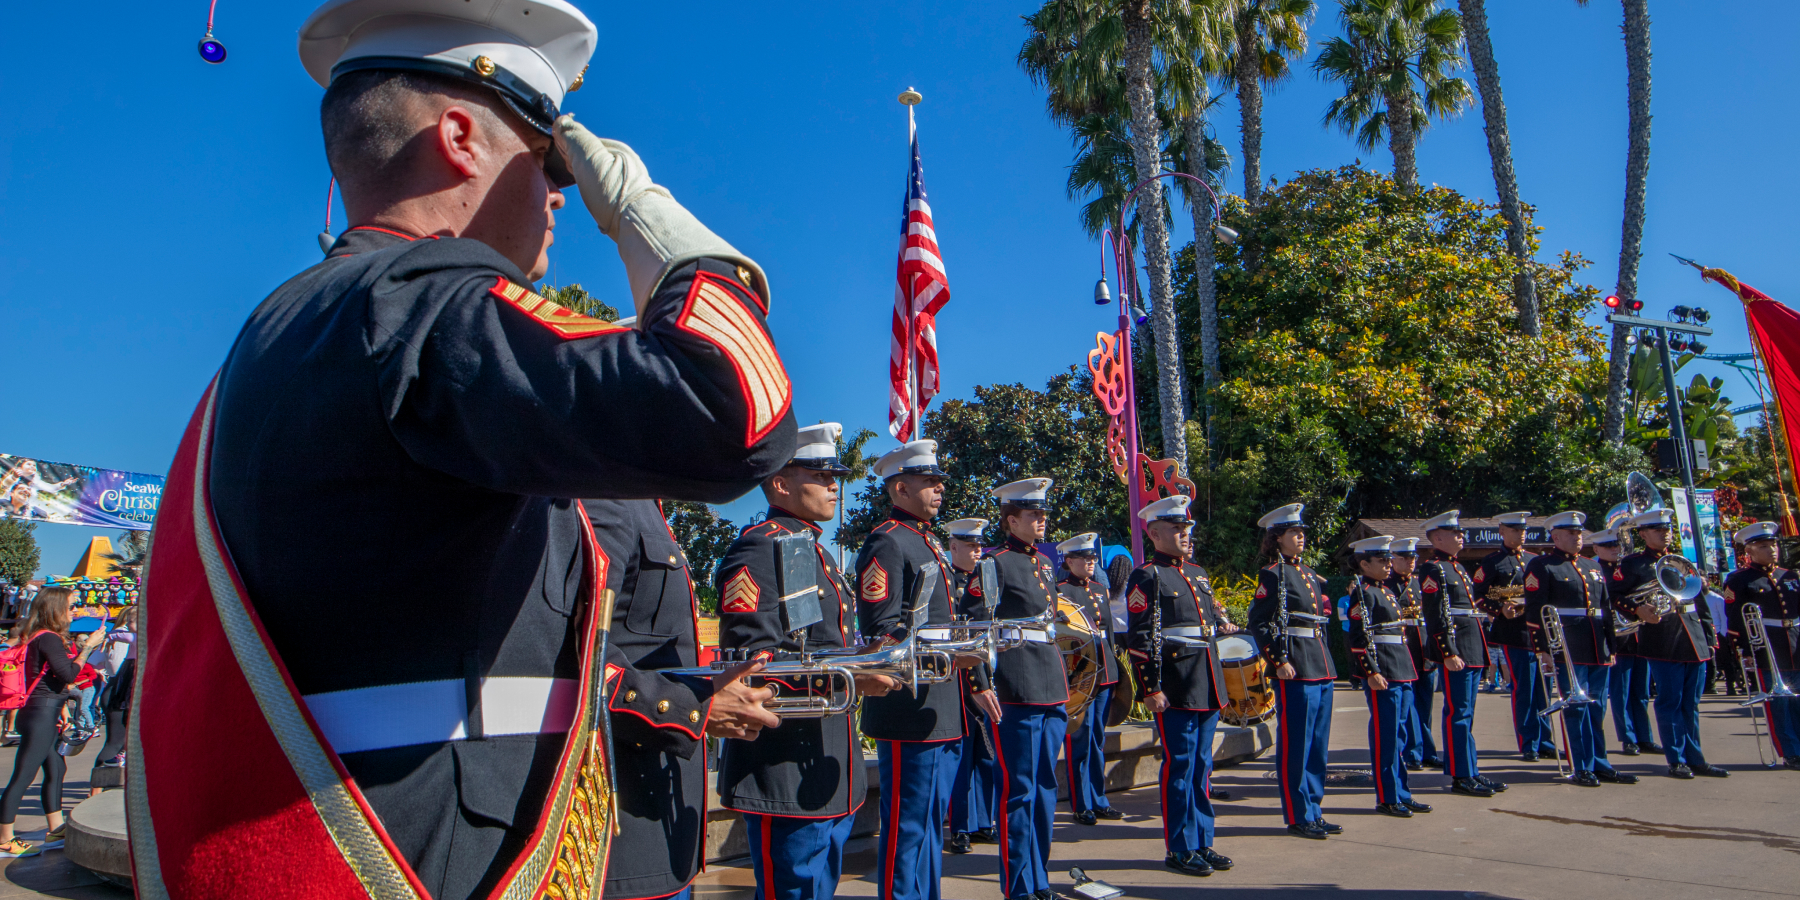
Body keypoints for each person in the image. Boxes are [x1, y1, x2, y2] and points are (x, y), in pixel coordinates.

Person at [133, 0, 800, 893]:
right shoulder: (414, 297)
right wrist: (647, 215)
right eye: (550, 158)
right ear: (459, 136)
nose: (565, 196)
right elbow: (732, 412)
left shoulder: (301, 319)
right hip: (424, 845)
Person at [714, 424, 895, 900]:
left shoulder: (814, 549)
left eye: (834, 474)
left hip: (829, 758)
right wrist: (851, 677)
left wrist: (862, 662)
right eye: (820, 474)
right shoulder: (762, 546)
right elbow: (753, 662)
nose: (835, 484)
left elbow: (821, 645)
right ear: (779, 483)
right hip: (786, 764)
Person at [857, 440, 977, 900]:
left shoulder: (926, 540)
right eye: (929, 482)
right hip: (909, 708)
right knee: (909, 826)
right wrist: (948, 655)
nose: (940, 488)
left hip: (939, 705)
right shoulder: (887, 540)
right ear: (900, 488)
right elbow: (882, 631)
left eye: (940, 481)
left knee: (930, 824)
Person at [1124, 496, 1236, 876]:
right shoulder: (1147, 575)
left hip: (1206, 678)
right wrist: (1149, 687)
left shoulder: (1198, 572)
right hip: (1175, 683)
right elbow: (1140, 639)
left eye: (1186, 527)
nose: (1185, 533)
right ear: (1154, 534)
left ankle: (1203, 841)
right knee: (1181, 766)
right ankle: (1180, 847)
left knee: (1202, 767)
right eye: (1176, 528)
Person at [968, 478, 1067, 900]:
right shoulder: (994, 564)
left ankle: (1039, 876)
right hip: (1018, 685)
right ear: (1011, 519)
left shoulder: (1044, 563)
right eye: (1033, 514)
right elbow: (975, 626)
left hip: (1050, 681)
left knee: (1046, 787)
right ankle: (1019, 884)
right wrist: (980, 682)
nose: (1042, 520)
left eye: (1043, 513)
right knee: (1020, 789)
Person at [1523, 511, 1637, 787]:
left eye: (1579, 532)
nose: (1578, 537)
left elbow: (1606, 609)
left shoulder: (1592, 566)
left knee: (1597, 707)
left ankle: (1600, 762)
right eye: (1571, 533)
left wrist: (1611, 644)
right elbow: (1535, 611)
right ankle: (1580, 764)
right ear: (1556, 536)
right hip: (1566, 647)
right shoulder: (1542, 565)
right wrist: (1543, 650)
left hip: (1597, 645)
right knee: (1575, 707)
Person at [1247, 503, 1337, 840]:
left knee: (1317, 743)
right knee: (1297, 743)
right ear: (1277, 538)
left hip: (1318, 661)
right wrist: (1278, 660)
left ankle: (1314, 808)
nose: (1300, 537)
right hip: (1295, 663)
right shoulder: (1273, 573)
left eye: (1301, 532)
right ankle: (1299, 815)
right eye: (1293, 533)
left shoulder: (1310, 573)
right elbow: (1259, 621)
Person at [1614, 509, 1726, 779]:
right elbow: (1615, 596)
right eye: (1657, 529)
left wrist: (1709, 639)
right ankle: (1676, 758)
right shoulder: (1632, 565)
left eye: (1667, 529)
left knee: (1691, 704)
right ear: (1642, 534)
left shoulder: (1682, 561)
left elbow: (1699, 601)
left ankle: (1696, 757)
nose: (1665, 533)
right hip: (1662, 639)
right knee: (1670, 702)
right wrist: (1637, 610)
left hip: (1693, 637)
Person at [0, 586, 106, 857]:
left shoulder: (39, 637)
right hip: (41, 713)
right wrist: (89, 648)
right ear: (56, 609)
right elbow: (68, 674)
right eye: (71, 606)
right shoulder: (48, 639)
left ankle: (55, 827)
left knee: (56, 769)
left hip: (43, 711)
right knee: (23, 775)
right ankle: (5, 839)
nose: (75, 611)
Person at [1416, 510, 1506, 798]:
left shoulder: (1457, 568)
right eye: (1455, 533)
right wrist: (1448, 652)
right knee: (1458, 713)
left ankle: (1471, 770)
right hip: (1458, 649)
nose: (1461, 536)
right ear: (1438, 537)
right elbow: (1435, 615)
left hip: (1471, 646)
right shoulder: (1433, 569)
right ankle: (1461, 774)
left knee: (1467, 714)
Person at [1345, 536, 1432, 819]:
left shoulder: (1387, 591)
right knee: (1387, 737)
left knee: (1401, 734)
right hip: (1384, 668)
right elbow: (1359, 638)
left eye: (1387, 560)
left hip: (1402, 666)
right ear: (1364, 564)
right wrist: (1371, 671)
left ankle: (1402, 793)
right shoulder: (1363, 592)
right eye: (1381, 561)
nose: (1387, 565)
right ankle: (1388, 797)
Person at [1055, 532, 1123, 826]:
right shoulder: (1060, 592)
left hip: (1104, 669)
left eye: (1093, 558)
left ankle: (1099, 798)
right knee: (1080, 739)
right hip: (1080, 674)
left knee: (1097, 737)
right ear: (1069, 561)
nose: (1090, 562)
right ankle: (1081, 802)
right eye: (1084, 558)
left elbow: (1108, 632)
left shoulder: (1099, 590)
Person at [1476, 512, 1553, 761]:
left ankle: (1546, 740)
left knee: (1545, 689)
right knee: (1526, 689)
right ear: (1501, 531)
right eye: (1514, 529)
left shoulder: (1535, 561)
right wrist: (1498, 609)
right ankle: (1529, 741)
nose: (1520, 534)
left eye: (1522, 530)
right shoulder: (1492, 562)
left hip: (1541, 632)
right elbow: (1476, 595)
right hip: (1515, 633)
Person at [1723, 522, 1800, 770]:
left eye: (1773, 545)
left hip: (1796, 643)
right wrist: (1743, 653)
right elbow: (1735, 621)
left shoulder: (1790, 576)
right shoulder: (1739, 580)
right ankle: (1790, 752)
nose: (1772, 550)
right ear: (1750, 551)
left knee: (1797, 702)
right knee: (1779, 704)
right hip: (1767, 648)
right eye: (1764, 546)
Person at [944, 517, 999, 855]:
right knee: (962, 759)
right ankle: (961, 827)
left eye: (980, 545)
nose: (977, 550)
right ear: (953, 547)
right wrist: (976, 680)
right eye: (969, 545)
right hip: (961, 682)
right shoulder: (947, 582)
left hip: (989, 678)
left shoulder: (986, 580)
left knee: (987, 757)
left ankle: (983, 822)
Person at [1596, 528, 1656, 757]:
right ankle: (1628, 738)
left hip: (1639, 635)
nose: (1614, 549)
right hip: (1617, 637)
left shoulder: (1629, 567)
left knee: (1641, 692)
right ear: (1597, 549)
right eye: (1609, 546)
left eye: (1617, 545)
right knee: (1621, 693)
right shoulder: (1596, 571)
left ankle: (1645, 737)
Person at [1385, 538, 1439, 771]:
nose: (1410, 562)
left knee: (1425, 705)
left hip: (1424, 649)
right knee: (1407, 706)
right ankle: (1412, 752)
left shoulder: (1419, 583)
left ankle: (1427, 752)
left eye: (1413, 557)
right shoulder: (1386, 586)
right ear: (1392, 559)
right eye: (1405, 558)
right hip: (1403, 651)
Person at [89, 609, 136, 791]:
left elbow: (95, 662)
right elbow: (116, 667)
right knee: (116, 742)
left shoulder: (117, 637)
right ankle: (96, 790)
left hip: (115, 687)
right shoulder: (129, 637)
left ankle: (96, 790)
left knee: (119, 742)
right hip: (122, 690)